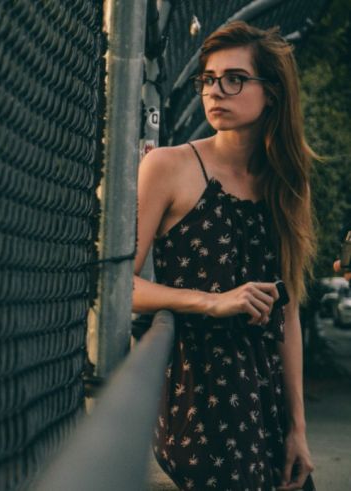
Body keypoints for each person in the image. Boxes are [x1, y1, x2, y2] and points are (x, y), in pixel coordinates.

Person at [133, 21, 316, 490]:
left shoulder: (286, 182)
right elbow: (120, 288)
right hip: (202, 392)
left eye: (235, 79)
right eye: (209, 79)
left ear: (271, 92)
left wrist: (298, 428)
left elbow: (287, 308)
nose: (216, 92)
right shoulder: (168, 167)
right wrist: (212, 300)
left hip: (267, 394)